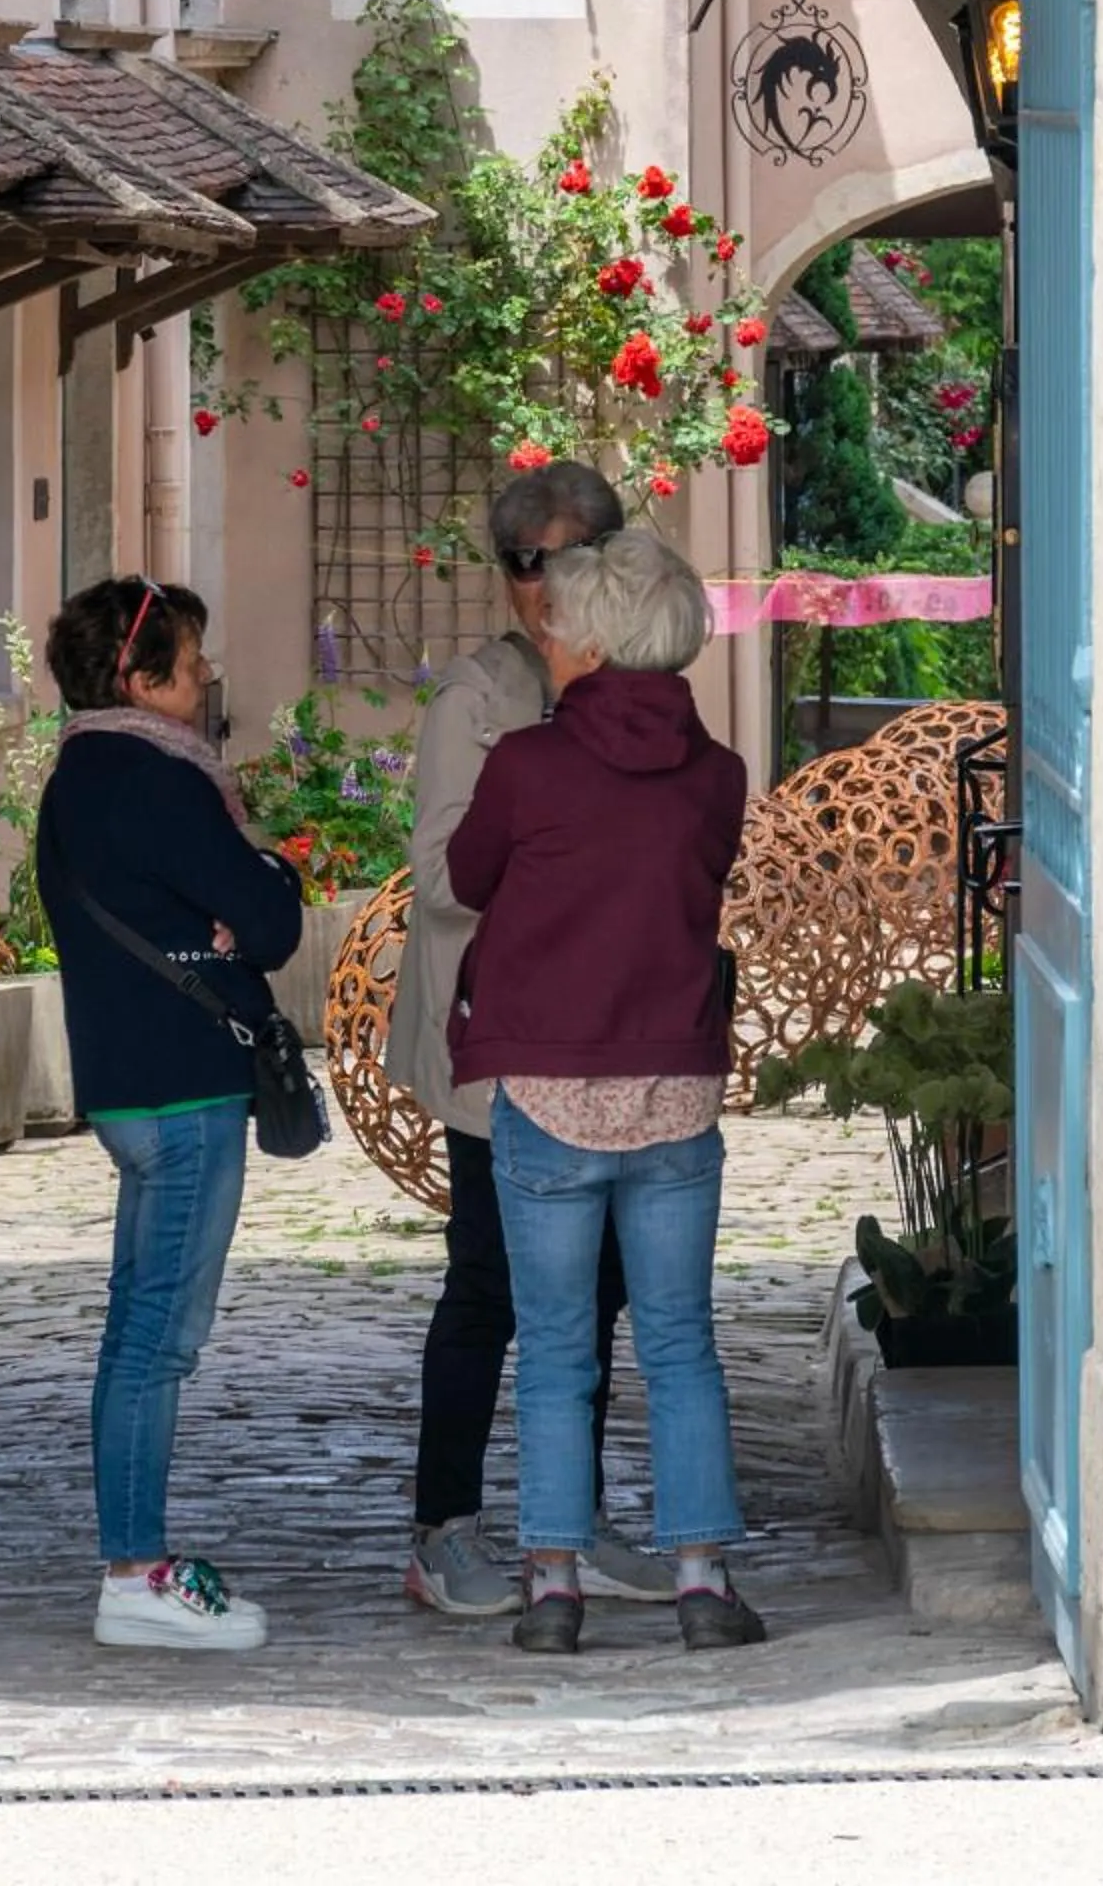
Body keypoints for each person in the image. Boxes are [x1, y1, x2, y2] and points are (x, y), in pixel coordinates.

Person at [447, 525, 763, 1657]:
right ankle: (698, 1577)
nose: (549, 632)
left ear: (590, 639)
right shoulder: (716, 775)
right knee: (680, 1339)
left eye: (560, 619)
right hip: (672, 1082)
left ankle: (550, 1584)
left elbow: (464, 875)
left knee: (552, 1345)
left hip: (545, 1082)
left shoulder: (525, 766)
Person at [384, 462, 671, 1618]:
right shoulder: (480, 700)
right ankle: (440, 1525)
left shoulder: (641, 683)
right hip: (494, 1039)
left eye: (560, 559)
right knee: (488, 1286)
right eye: (520, 563)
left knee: (598, 1288)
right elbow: (443, 875)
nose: (538, 586)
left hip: (605, 1032)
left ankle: (575, 1516)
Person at [38, 573, 304, 1654]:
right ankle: (135, 1573)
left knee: (132, 1329)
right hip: (188, 1084)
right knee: (159, 1340)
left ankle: (130, 1559)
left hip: (120, 1083)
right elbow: (269, 921)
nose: (204, 685)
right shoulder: (165, 780)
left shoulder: (74, 781)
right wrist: (262, 879)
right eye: (190, 668)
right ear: (139, 680)